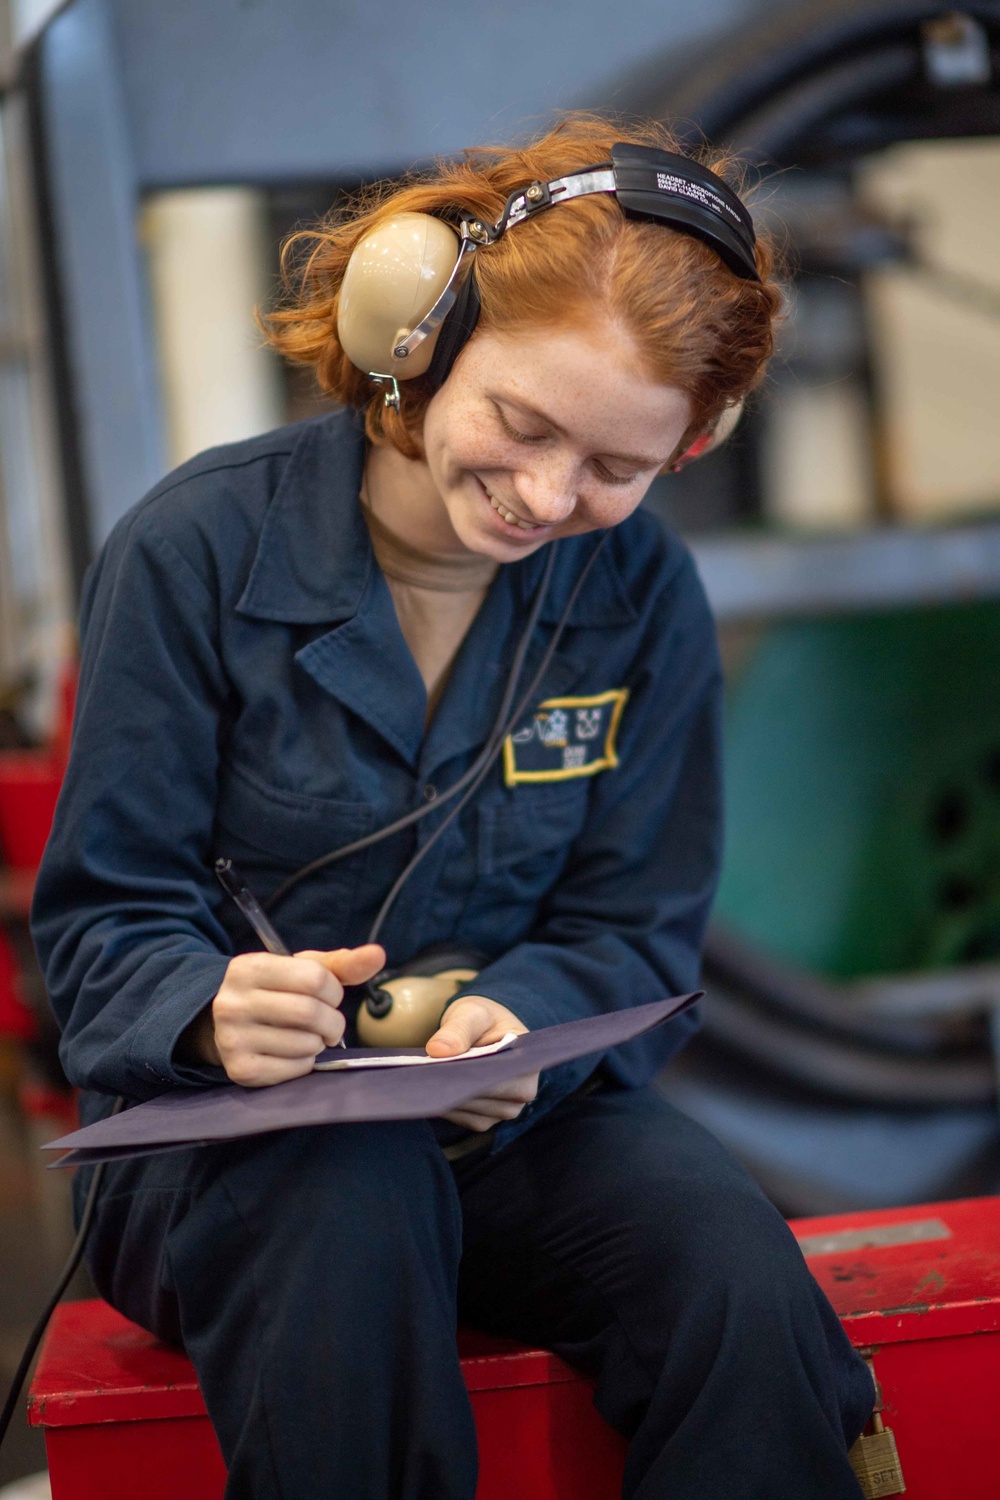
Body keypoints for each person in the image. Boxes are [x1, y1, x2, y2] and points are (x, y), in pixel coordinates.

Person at [31, 115, 873, 1498]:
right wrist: (205, 1004)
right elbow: (105, 919)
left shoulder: (642, 595)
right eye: (522, 425)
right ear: (418, 341)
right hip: (222, 1156)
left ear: (691, 445)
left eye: (614, 467)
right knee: (346, 1198)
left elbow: (635, 923)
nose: (549, 495)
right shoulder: (193, 554)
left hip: (507, 1137)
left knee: (725, 1261)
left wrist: (523, 1024)